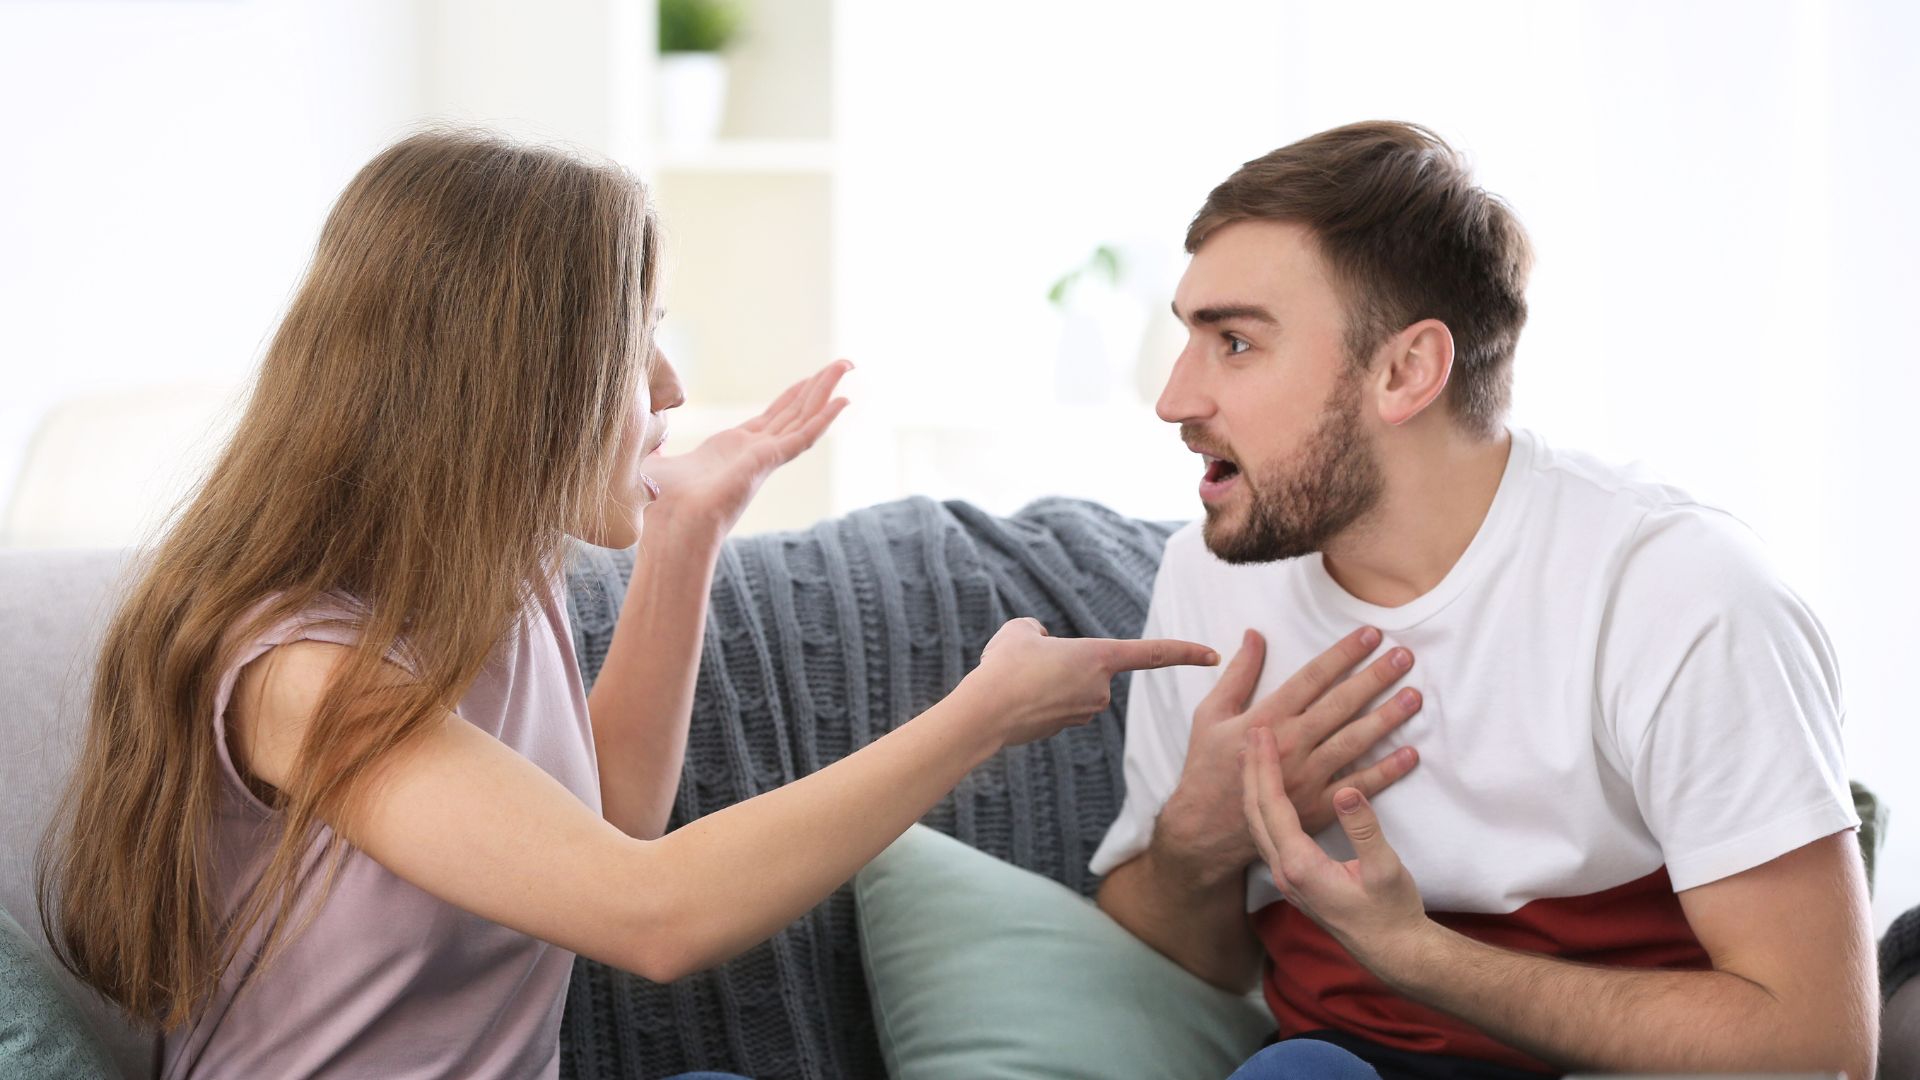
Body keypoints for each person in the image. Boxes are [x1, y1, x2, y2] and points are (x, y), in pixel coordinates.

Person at [32, 128, 1229, 1080]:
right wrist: (978, 716)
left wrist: (685, 534)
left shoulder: (500, 578)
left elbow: (607, 821)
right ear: (511, 383)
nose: (668, 385)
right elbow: (649, 914)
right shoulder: (304, 672)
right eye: (636, 338)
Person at [1092, 121, 1878, 1080]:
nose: (1174, 398)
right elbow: (1192, 962)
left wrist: (1418, 953)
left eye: (1235, 342)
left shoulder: (1679, 592)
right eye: (1189, 337)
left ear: (1407, 371)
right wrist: (1198, 840)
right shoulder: (1208, 575)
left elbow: (1816, 1047)